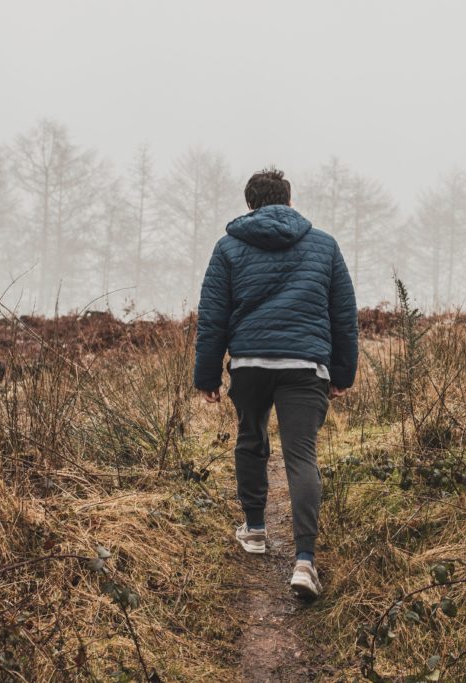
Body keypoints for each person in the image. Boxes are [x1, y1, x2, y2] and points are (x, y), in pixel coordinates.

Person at [193, 168, 358, 599]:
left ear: (249, 204)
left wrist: (207, 375)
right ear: (288, 200)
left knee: (251, 437)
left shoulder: (228, 247)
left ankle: (255, 530)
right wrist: (342, 373)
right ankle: (305, 562)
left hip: (248, 363)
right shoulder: (324, 245)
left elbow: (212, 315)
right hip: (305, 365)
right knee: (301, 455)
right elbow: (344, 315)